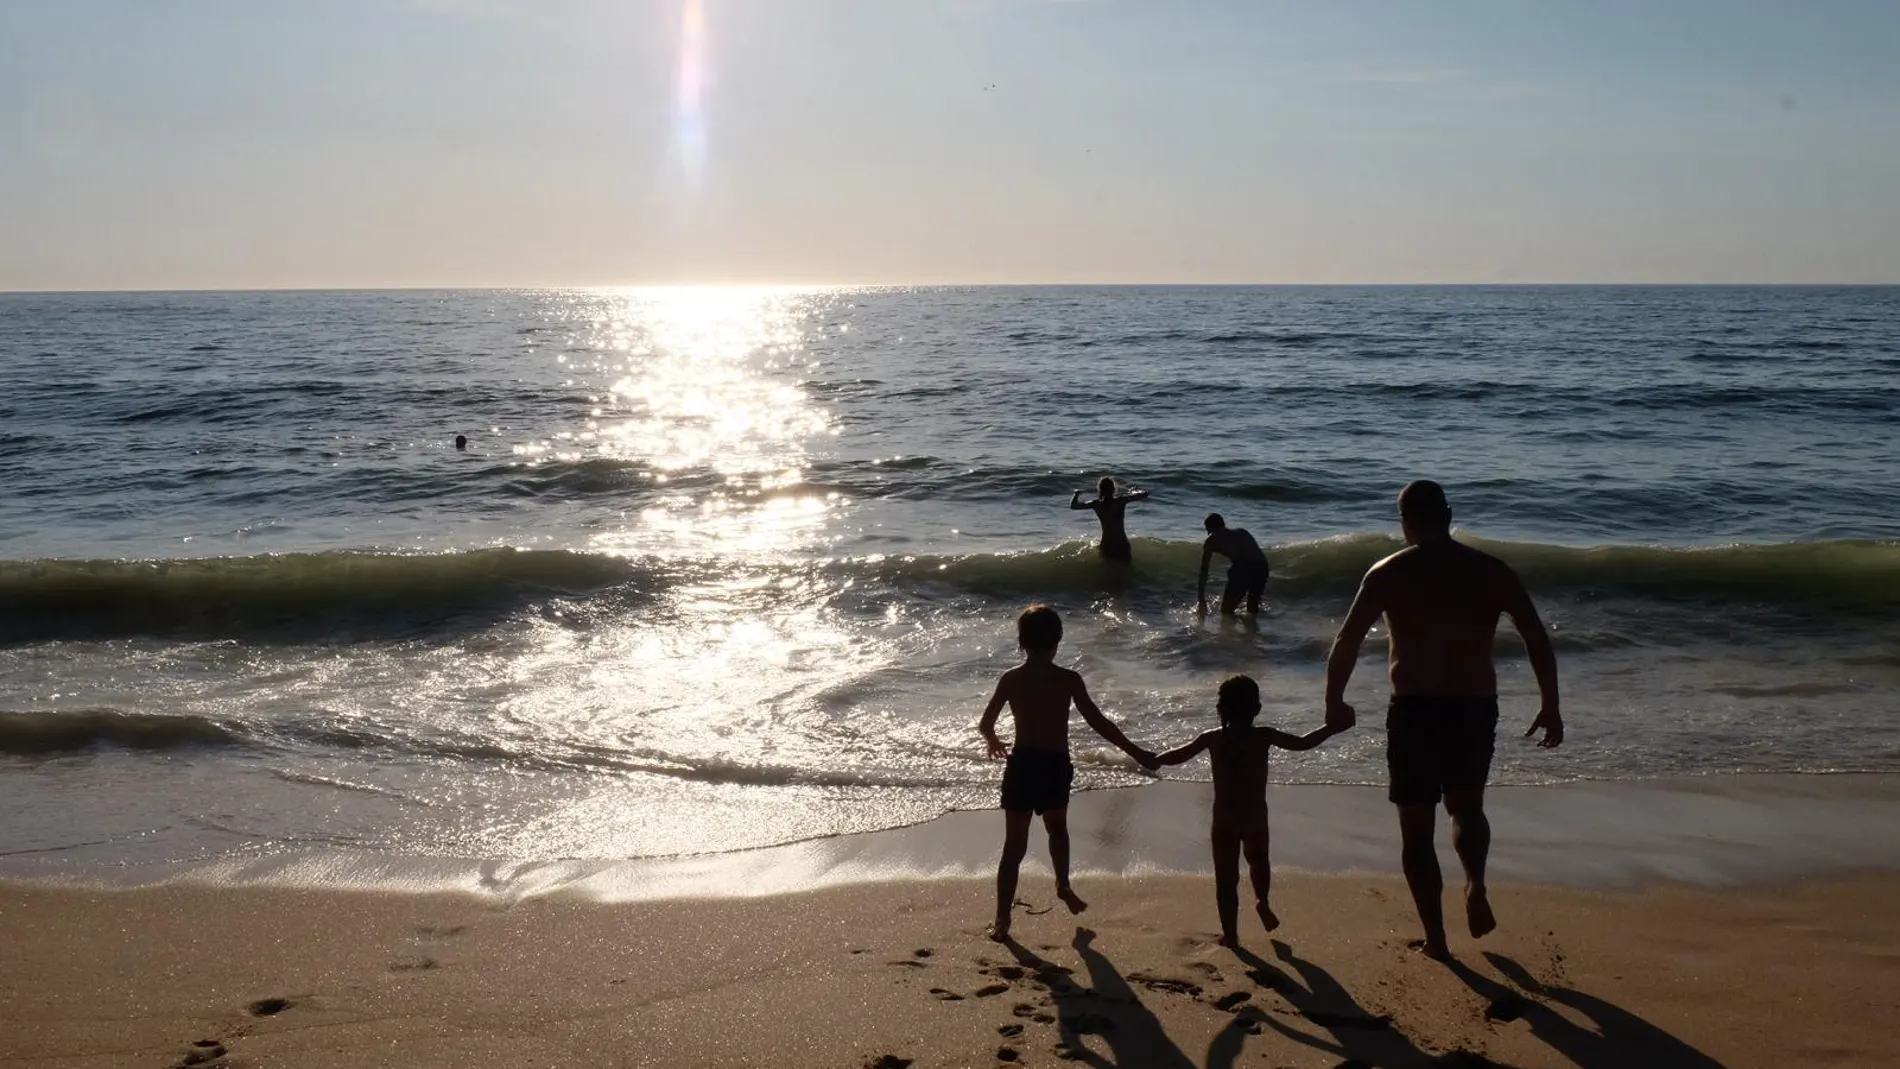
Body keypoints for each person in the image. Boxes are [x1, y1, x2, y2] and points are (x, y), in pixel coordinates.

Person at [1323, 480, 1562, 960]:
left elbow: (1347, 639)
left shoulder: (1388, 572)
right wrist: (1550, 703)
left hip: (1414, 708)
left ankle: (1436, 939)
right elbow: (1536, 635)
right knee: (1467, 808)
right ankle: (1475, 883)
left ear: (1404, 522)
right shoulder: (1492, 571)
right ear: (1449, 514)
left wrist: (1334, 700)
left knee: (1416, 829)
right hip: (1473, 705)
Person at [978, 604, 1156, 940]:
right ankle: (1062, 884)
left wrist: (993, 740)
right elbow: (1099, 723)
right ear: (1058, 640)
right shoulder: (1068, 680)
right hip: (1054, 766)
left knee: (1013, 847)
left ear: (1021, 642)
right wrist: (1136, 752)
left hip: (1022, 765)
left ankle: (1002, 921)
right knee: (1057, 830)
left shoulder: (1011, 679)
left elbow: (985, 723)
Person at [1145, 674, 1341, 946]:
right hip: (1255, 817)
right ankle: (1262, 900)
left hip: (1224, 819)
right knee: (1259, 860)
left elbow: (1179, 755)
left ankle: (1231, 935)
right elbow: (1303, 743)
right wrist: (1331, 728)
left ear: (1220, 710)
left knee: (1226, 881)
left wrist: (1155, 760)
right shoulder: (1264, 736)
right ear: (1257, 709)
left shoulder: (1211, 739)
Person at [1197, 513, 1270, 616]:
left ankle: (1231, 630)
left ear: (1210, 529)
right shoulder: (1242, 532)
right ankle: (1252, 629)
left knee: (1226, 610)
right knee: (1252, 608)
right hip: (1262, 567)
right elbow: (1257, 555)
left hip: (1244, 568)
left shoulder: (1211, 541)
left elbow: (1204, 570)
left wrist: (1201, 600)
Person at [1070, 476, 1149, 562]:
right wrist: (1134, 491)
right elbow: (1144, 494)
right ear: (1113, 489)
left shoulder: (1096, 504)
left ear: (1100, 490)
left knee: (1109, 573)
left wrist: (1076, 494)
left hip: (1107, 544)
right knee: (1126, 572)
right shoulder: (1120, 501)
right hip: (1121, 543)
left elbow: (1073, 506)